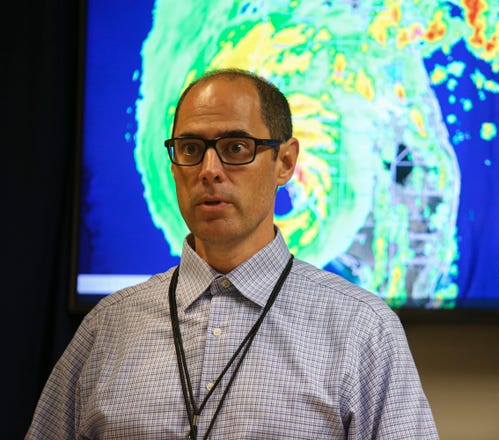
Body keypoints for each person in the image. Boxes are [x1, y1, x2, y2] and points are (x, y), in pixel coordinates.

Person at [27, 68, 439, 439]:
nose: (209, 169)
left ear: (286, 162)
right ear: (174, 166)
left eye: (236, 147)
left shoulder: (362, 331)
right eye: (190, 149)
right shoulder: (106, 329)